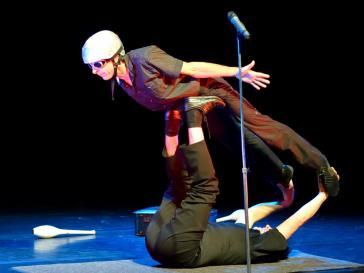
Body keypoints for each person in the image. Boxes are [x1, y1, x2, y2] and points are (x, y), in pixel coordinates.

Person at [81, 30, 339, 196]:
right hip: (193, 104)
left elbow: (192, 69)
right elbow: (169, 110)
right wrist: (174, 175)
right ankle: (281, 174)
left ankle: (322, 166)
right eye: (91, 66)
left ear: (118, 57)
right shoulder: (122, 85)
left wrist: (235, 72)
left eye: (98, 64)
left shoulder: (145, 57)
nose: (94, 71)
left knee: (261, 127)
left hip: (211, 89)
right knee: (235, 142)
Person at [145, 97, 338, 267]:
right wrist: (284, 202)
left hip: (180, 249)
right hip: (157, 237)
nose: (268, 227)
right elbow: (254, 212)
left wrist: (323, 195)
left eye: (269, 229)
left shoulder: (264, 246)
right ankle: (171, 121)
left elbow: (295, 221)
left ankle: (194, 115)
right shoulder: (243, 229)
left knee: (206, 187)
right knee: (179, 183)